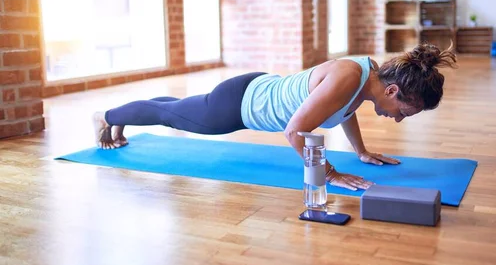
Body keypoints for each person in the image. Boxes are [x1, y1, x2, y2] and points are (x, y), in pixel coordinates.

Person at [93, 43, 457, 191]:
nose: (398, 119)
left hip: (254, 88)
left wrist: (361, 152)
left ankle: (126, 115)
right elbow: (294, 131)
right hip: (239, 106)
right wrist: (330, 174)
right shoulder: (350, 77)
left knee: (176, 108)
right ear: (393, 92)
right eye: (404, 113)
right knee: (172, 115)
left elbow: (344, 111)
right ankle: (106, 115)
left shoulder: (369, 77)